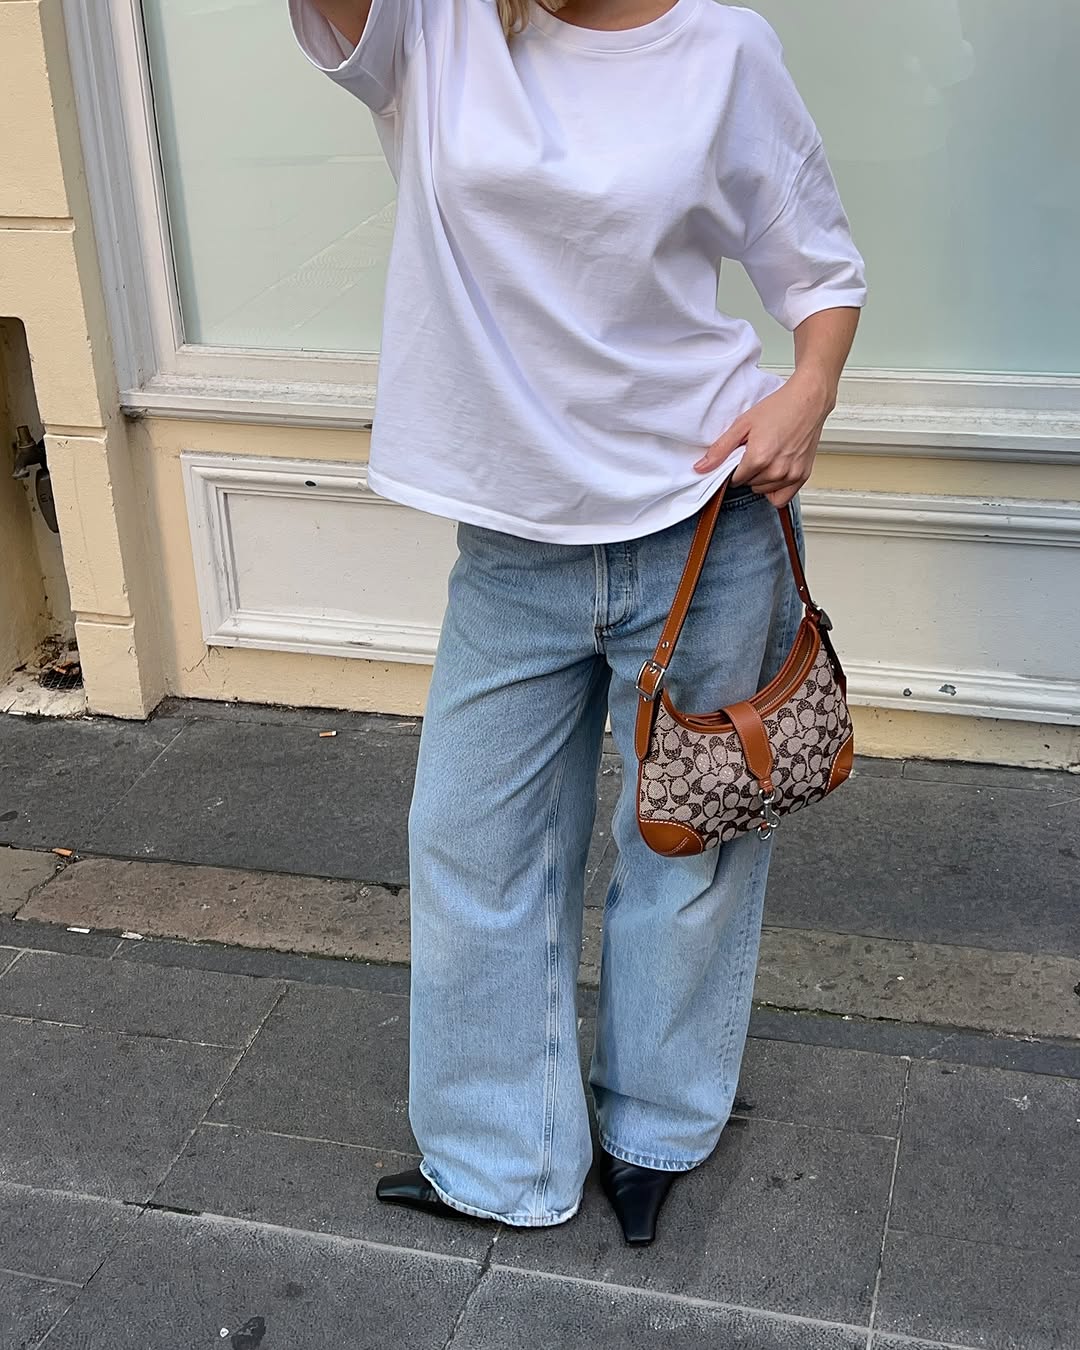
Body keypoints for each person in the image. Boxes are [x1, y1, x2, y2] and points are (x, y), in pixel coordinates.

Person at [290, 0, 865, 1245]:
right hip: (510, 550)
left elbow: (818, 270)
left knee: (688, 842)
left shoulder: (724, 50)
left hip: (703, 526)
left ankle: (657, 1125)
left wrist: (807, 392)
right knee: (469, 846)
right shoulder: (430, 32)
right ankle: (504, 1155)